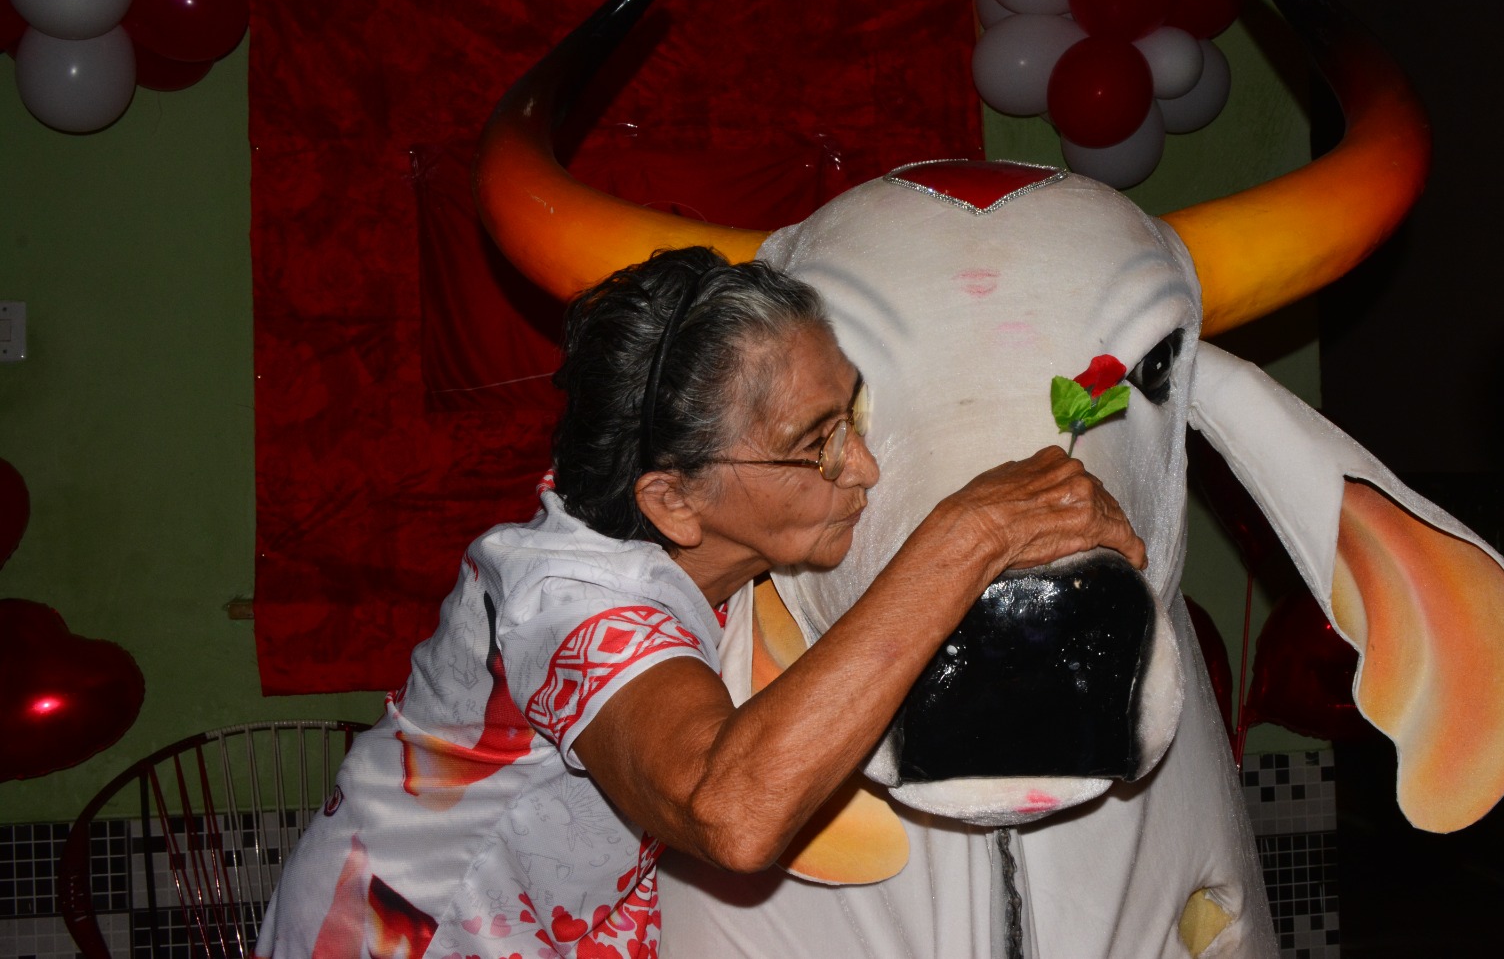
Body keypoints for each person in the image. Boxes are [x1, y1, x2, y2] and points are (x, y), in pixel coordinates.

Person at [253, 246, 1145, 959]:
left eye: (853, 420)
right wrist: (969, 535)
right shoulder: (566, 604)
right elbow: (733, 812)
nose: (862, 469)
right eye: (817, 445)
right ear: (672, 502)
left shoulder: (689, 537)